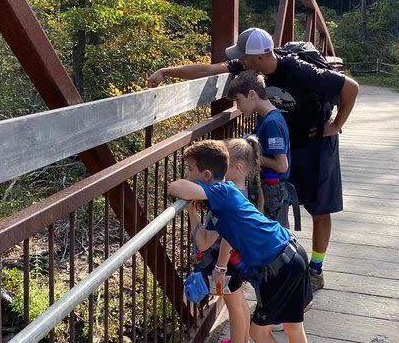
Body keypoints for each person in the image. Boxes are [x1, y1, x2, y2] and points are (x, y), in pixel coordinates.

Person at [149, 27, 359, 291]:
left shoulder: (300, 71)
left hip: (316, 145)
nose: (240, 61)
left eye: (244, 56)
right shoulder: (250, 66)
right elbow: (207, 70)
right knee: (276, 207)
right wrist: (166, 72)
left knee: (319, 210)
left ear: (260, 56)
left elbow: (351, 87)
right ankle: (279, 266)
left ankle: (315, 269)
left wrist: (336, 124)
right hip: (282, 145)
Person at [169, 140, 312, 343]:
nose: (187, 175)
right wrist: (192, 212)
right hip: (291, 255)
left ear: (206, 176)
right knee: (292, 326)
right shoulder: (222, 201)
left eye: (190, 170)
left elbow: (175, 187)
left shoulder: (223, 192)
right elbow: (203, 242)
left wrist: (191, 186)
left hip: (279, 267)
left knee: (258, 333)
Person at [227, 70, 291, 228]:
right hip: (267, 190)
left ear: (251, 94)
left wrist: (250, 156)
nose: (238, 106)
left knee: (276, 241)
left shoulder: (272, 123)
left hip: (273, 192)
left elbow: (282, 165)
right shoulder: (266, 118)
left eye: (238, 100)